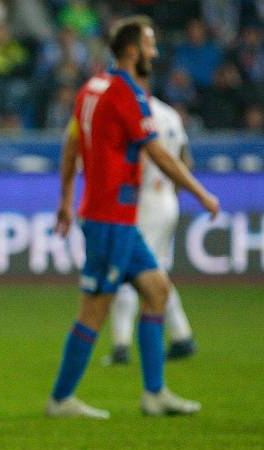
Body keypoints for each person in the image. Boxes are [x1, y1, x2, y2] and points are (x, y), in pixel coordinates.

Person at [48, 15, 220, 419]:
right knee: (94, 309)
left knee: (157, 290)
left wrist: (67, 198)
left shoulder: (91, 88)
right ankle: (61, 399)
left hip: (116, 218)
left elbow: (71, 144)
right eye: (149, 44)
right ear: (131, 50)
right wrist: (202, 193)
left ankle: (154, 394)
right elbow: (159, 154)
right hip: (110, 219)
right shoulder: (126, 93)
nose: (154, 52)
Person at [105, 90, 197, 366]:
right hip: (167, 198)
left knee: (125, 269)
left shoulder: (135, 115)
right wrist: (172, 194)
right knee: (155, 271)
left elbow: (133, 163)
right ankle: (182, 336)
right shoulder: (170, 114)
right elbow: (185, 161)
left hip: (140, 201)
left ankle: (121, 344)